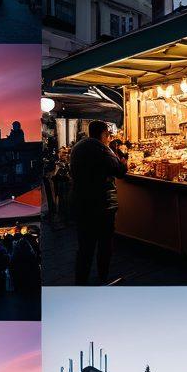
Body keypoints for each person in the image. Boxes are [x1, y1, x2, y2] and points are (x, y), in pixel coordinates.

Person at [70, 121, 127, 285]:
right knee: (104, 244)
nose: (108, 138)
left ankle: (80, 282)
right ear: (103, 133)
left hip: (80, 203)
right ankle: (103, 277)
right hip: (101, 204)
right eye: (108, 135)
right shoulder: (102, 149)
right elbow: (120, 172)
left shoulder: (78, 147)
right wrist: (122, 158)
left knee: (84, 247)